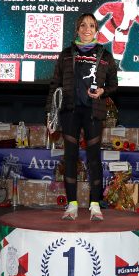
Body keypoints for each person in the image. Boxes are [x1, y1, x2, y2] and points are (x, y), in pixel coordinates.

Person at [46, 13, 119, 221]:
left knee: (94, 159)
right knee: (70, 158)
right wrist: (50, 113)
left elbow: (114, 84)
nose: (87, 29)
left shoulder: (105, 55)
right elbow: (55, 85)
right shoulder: (66, 54)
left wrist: (102, 91)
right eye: (83, 25)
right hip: (69, 111)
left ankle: (95, 205)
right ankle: (72, 205)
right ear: (77, 29)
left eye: (92, 26)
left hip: (93, 113)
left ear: (96, 30)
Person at [93, 0, 139, 70]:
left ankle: (116, 65)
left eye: (132, 0)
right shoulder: (118, 5)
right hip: (111, 27)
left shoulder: (135, 10)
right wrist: (98, 15)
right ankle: (90, 36)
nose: (130, 1)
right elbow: (106, 6)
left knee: (120, 47)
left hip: (123, 32)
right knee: (101, 39)